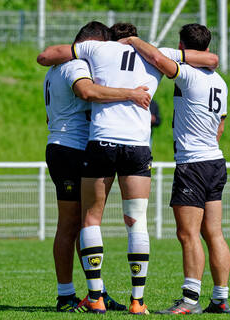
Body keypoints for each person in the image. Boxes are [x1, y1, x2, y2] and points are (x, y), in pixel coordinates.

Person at [37, 21, 219, 315]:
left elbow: (45, 56)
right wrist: (135, 82)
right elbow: (211, 59)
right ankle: (137, 301)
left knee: (88, 221)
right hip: (134, 146)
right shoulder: (157, 54)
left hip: (97, 142)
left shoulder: (93, 51)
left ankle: (95, 296)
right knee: (136, 221)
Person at [119, 23, 230, 314]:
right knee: (214, 233)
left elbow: (160, 62)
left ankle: (190, 300)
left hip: (193, 164)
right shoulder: (220, 81)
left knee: (188, 234)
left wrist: (132, 40)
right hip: (215, 160)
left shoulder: (190, 75)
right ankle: (220, 298)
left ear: (183, 47)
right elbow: (220, 127)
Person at [43, 21, 150, 313]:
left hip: (62, 146)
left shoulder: (56, 68)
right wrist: (130, 94)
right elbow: (89, 93)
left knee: (79, 223)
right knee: (71, 224)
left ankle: (96, 291)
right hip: (71, 148)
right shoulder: (77, 65)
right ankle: (66, 295)